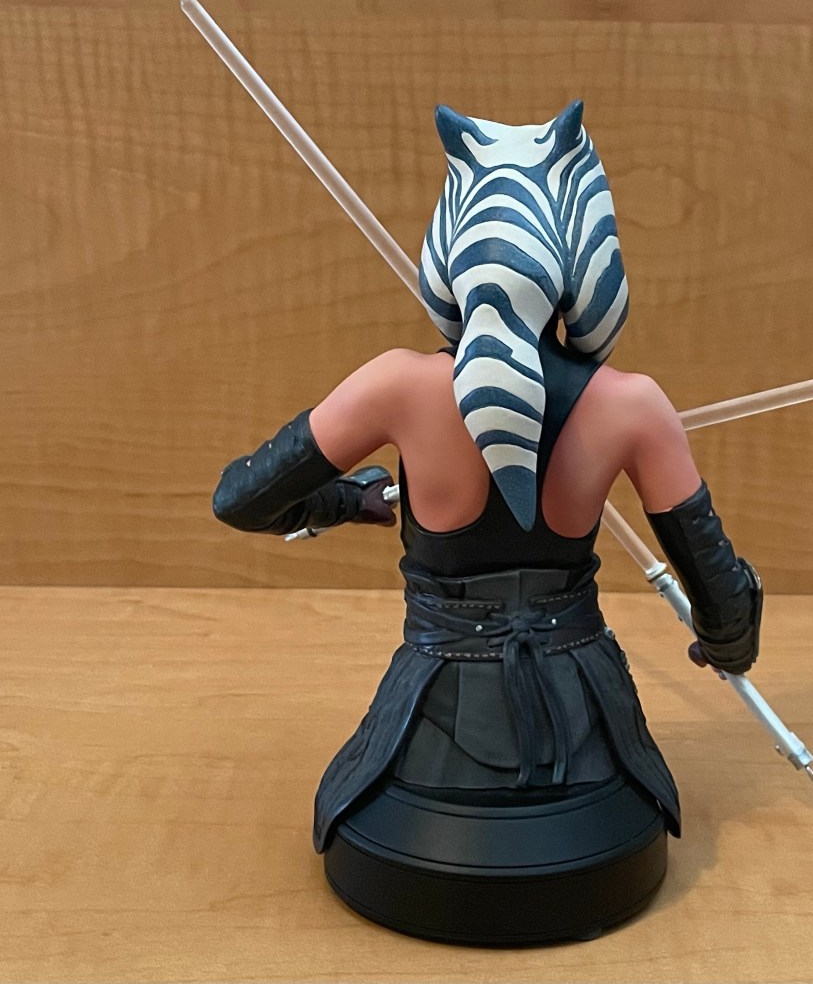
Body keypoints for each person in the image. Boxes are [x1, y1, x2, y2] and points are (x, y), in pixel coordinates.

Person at [211, 102, 761, 944]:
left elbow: (244, 498)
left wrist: (350, 500)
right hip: (586, 735)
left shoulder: (397, 386)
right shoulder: (634, 406)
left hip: (429, 734)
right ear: (584, 245)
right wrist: (726, 644)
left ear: (452, 243)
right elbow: (723, 597)